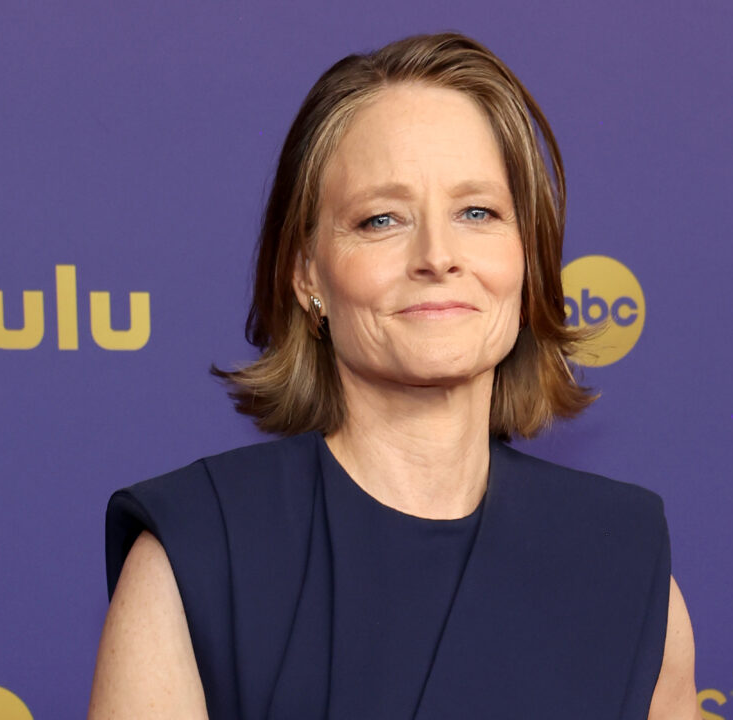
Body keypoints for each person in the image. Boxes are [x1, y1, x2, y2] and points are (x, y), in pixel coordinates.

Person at [88, 31, 698, 720]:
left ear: (527, 257)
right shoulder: (196, 557)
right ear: (307, 274)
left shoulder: (625, 563)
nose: (438, 255)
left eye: (478, 213)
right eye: (382, 219)